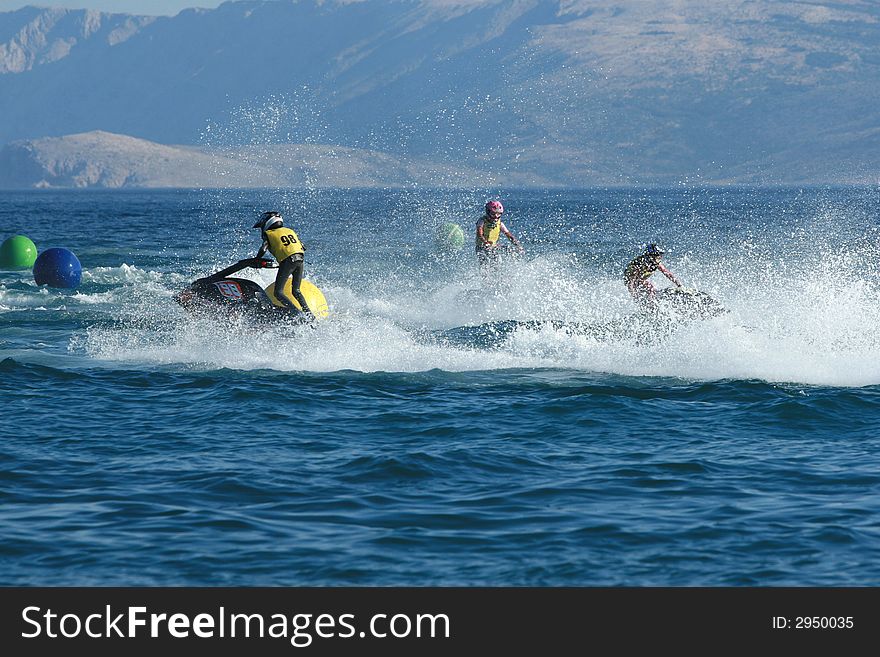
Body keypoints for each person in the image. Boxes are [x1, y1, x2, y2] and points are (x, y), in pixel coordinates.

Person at [253, 210, 314, 319]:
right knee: (296, 291)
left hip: (288, 261)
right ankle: (310, 315)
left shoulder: (269, 234)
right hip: (300, 259)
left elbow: (263, 248)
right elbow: (303, 247)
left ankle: (297, 314)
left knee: (278, 293)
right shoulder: (290, 231)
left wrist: (257, 259)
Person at [623, 243, 683, 311]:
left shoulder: (655, 263)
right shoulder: (638, 265)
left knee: (651, 290)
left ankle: (650, 301)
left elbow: (667, 274)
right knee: (649, 287)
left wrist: (679, 285)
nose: (660, 257)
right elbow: (630, 283)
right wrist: (634, 296)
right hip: (631, 280)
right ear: (651, 256)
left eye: (660, 255)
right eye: (658, 255)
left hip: (639, 279)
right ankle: (648, 306)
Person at [475, 200, 523, 267]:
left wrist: (517, 245)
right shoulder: (482, 221)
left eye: (499, 214)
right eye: (493, 214)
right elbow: (479, 234)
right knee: (485, 266)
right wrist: (486, 243)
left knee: (507, 252)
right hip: (481, 248)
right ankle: (485, 276)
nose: (496, 216)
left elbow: (509, 235)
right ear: (487, 212)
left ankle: (514, 266)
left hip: (493, 247)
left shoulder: (500, 223)